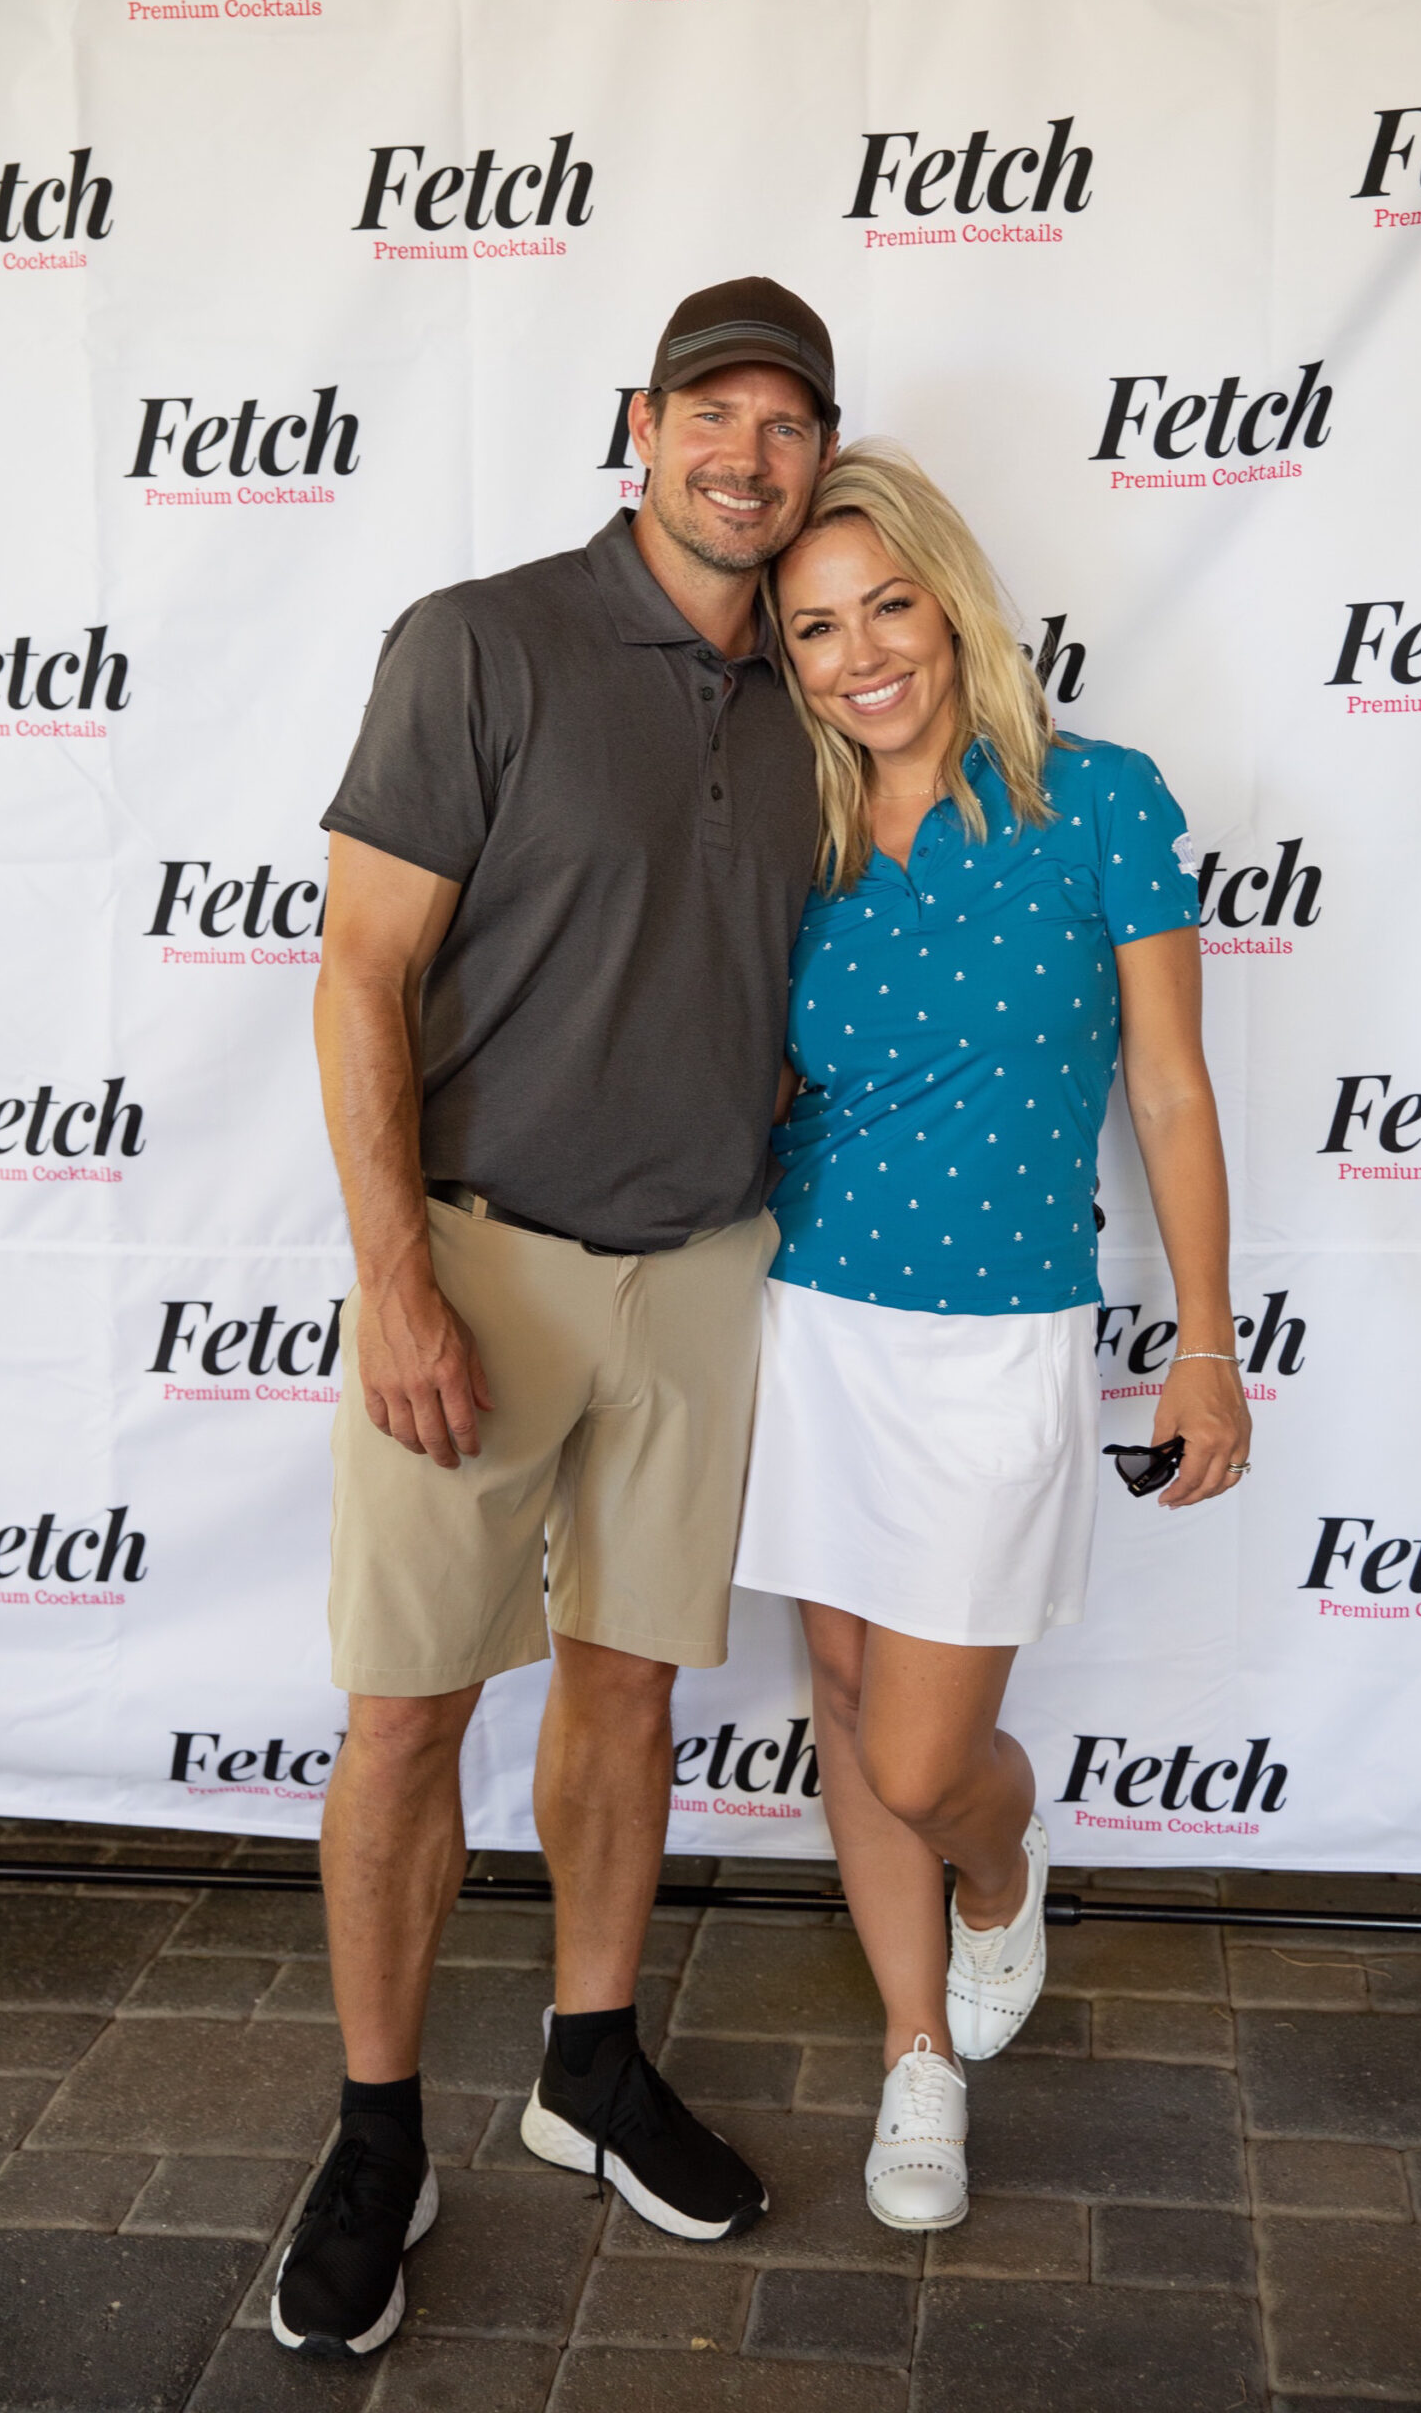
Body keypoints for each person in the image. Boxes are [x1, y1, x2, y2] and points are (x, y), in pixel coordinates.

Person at [276, 279, 839, 2356]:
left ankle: (586, 2062)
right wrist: (397, 1273)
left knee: (623, 1695)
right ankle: (373, 2133)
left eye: (788, 425)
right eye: (714, 411)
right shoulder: (480, 639)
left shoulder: (811, 689)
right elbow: (356, 972)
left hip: (701, 1270)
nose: (746, 455)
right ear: (640, 421)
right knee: (408, 1709)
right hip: (478, 1257)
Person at [732, 444, 1250, 2231]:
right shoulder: (783, 834)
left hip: (1002, 1335)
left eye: (889, 605)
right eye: (815, 628)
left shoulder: (1099, 803)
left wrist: (1206, 1344)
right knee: (850, 1699)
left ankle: (1002, 1868)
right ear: (783, 658)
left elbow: (1172, 1096)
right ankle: (913, 2064)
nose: (862, 654)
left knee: (922, 1760)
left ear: (951, 602)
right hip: (807, 1325)